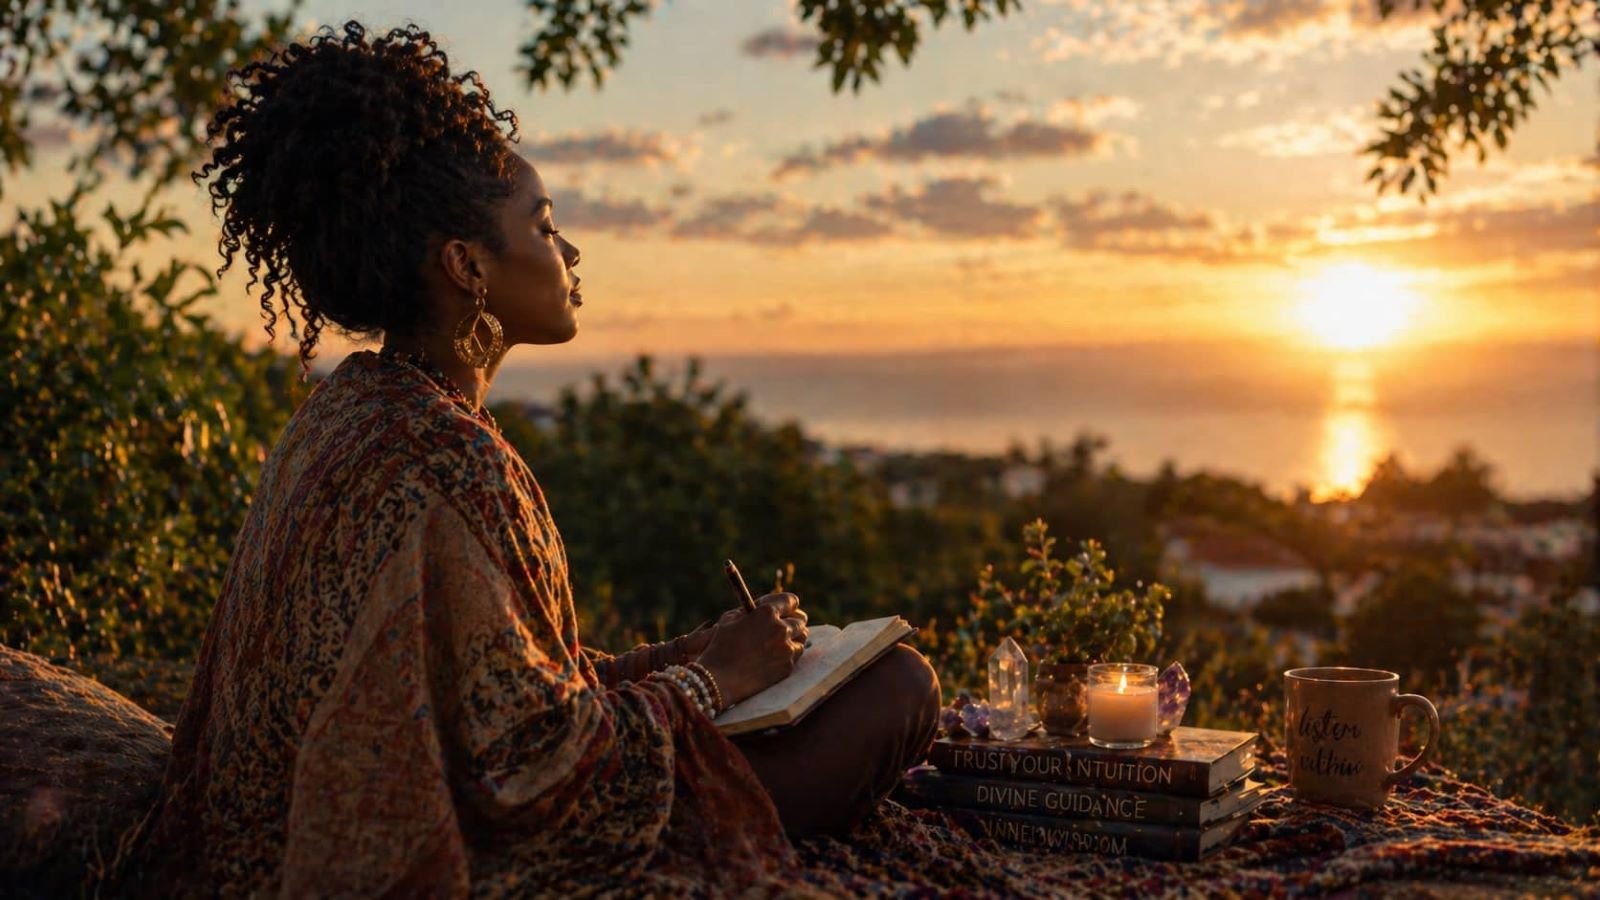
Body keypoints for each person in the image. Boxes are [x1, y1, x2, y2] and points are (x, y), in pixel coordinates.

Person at [123, 21, 940, 898]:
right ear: (467, 265)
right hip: (456, 845)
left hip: (274, 833)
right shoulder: (449, 454)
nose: (571, 254)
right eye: (546, 228)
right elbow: (534, 769)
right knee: (896, 690)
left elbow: (499, 696)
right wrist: (718, 678)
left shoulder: (348, 409)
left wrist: (691, 650)